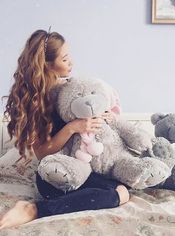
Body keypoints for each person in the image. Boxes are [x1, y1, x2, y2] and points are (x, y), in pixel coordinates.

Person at [0, 29, 129, 229]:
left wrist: (106, 117)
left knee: (121, 190)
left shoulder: (70, 90)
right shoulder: (37, 101)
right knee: (116, 195)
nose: (72, 63)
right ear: (47, 65)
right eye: (65, 59)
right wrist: (72, 127)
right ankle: (35, 209)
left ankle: (40, 208)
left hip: (83, 169)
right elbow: (42, 152)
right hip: (54, 176)